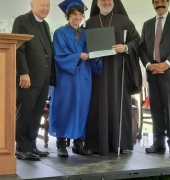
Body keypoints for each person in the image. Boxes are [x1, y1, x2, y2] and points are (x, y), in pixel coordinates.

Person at [84, 0, 141, 155]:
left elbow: (136, 39)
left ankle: (120, 143)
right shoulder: (89, 23)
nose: (106, 2)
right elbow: (83, 45)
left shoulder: (124, 21)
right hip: (97, 73)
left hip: (118, 73)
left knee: (117, 103)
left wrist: (125, 47)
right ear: (97, 3)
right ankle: (96, 144)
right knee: (97, 104)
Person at [49, 0, 102, 157]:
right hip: (66, 77)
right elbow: (59, 56)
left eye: (80, 14)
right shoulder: (60, 33)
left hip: (84, 76)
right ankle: (61, 145)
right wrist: (78, 56)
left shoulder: (87, 34)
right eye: (74, 14)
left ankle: (78, 144)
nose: (77, 17)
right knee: (64, 107)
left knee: (82, 108)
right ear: (68, 16)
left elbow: (94, 56)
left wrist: (98, 56)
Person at [12, 0, 56, 160]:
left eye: (47, 6)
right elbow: (18, 48)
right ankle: (22, 148)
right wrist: (23, 73)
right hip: (28, 77)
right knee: (25, 113)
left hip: (43, 77)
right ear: (32, 5)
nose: (45, 8)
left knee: (36, 113)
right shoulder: (22, 20)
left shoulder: (44, 24)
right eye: (42, 5)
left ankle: (32, 146)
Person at [139, 0, 170, 156]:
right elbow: (141, 48)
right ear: (153, 4)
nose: (159, 4)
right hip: (152, 72)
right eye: (156, 2)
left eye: (162, 1)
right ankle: (158, 143)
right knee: (156, 109)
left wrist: (167, 64)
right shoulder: (147, 24)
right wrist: (149, 65)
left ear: (168, 3)